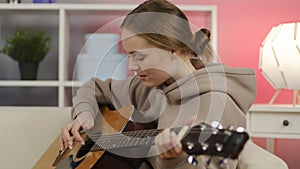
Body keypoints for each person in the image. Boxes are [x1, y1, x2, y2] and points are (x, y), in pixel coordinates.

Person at [60, 0, 256, 168]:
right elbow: (93, 87)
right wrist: (84, 113)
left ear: (172, 50)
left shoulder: (217, 102)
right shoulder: (150, 85)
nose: (132, 66)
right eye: (129, 56)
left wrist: (173, 159)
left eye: (140, 56)